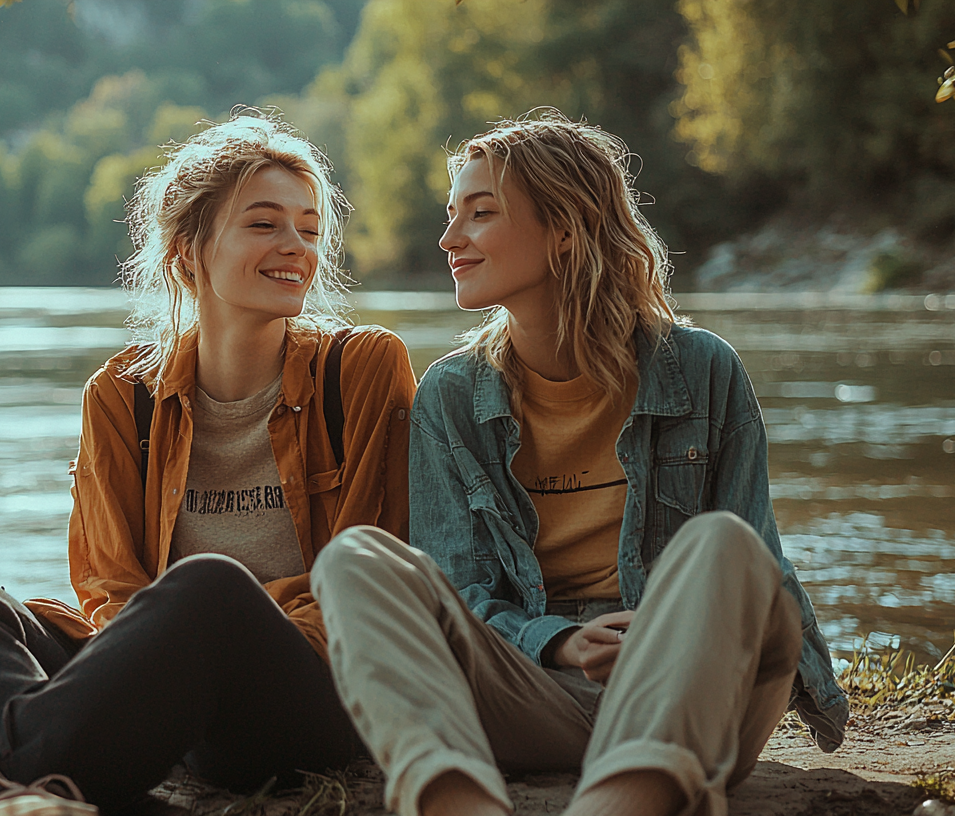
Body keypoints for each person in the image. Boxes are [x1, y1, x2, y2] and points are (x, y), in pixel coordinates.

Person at [0, 112, 416, 816]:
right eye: (265, 223)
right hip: (161, 688)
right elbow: (111, 588)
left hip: (313, 694)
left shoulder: (361, 367)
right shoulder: (123, 396)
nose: (296, 246)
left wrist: (200, 630)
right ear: (188, 252)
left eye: (309, 227)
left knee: (208, 590)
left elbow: (365, 589)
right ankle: (48, 776)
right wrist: (152, 651)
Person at [310, 109, 848, 816]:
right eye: (451, 215)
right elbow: (461, 589)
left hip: (695, 690)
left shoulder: (703, 370)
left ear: (563, 228)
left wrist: (660, 638)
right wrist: (559, 642)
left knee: (723, 544)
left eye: (480, 212)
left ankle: (624, 799)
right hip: (539, 691)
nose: (449, 239)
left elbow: (755, 570)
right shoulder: (450, 394)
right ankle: (453, 802)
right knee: (355, 560)